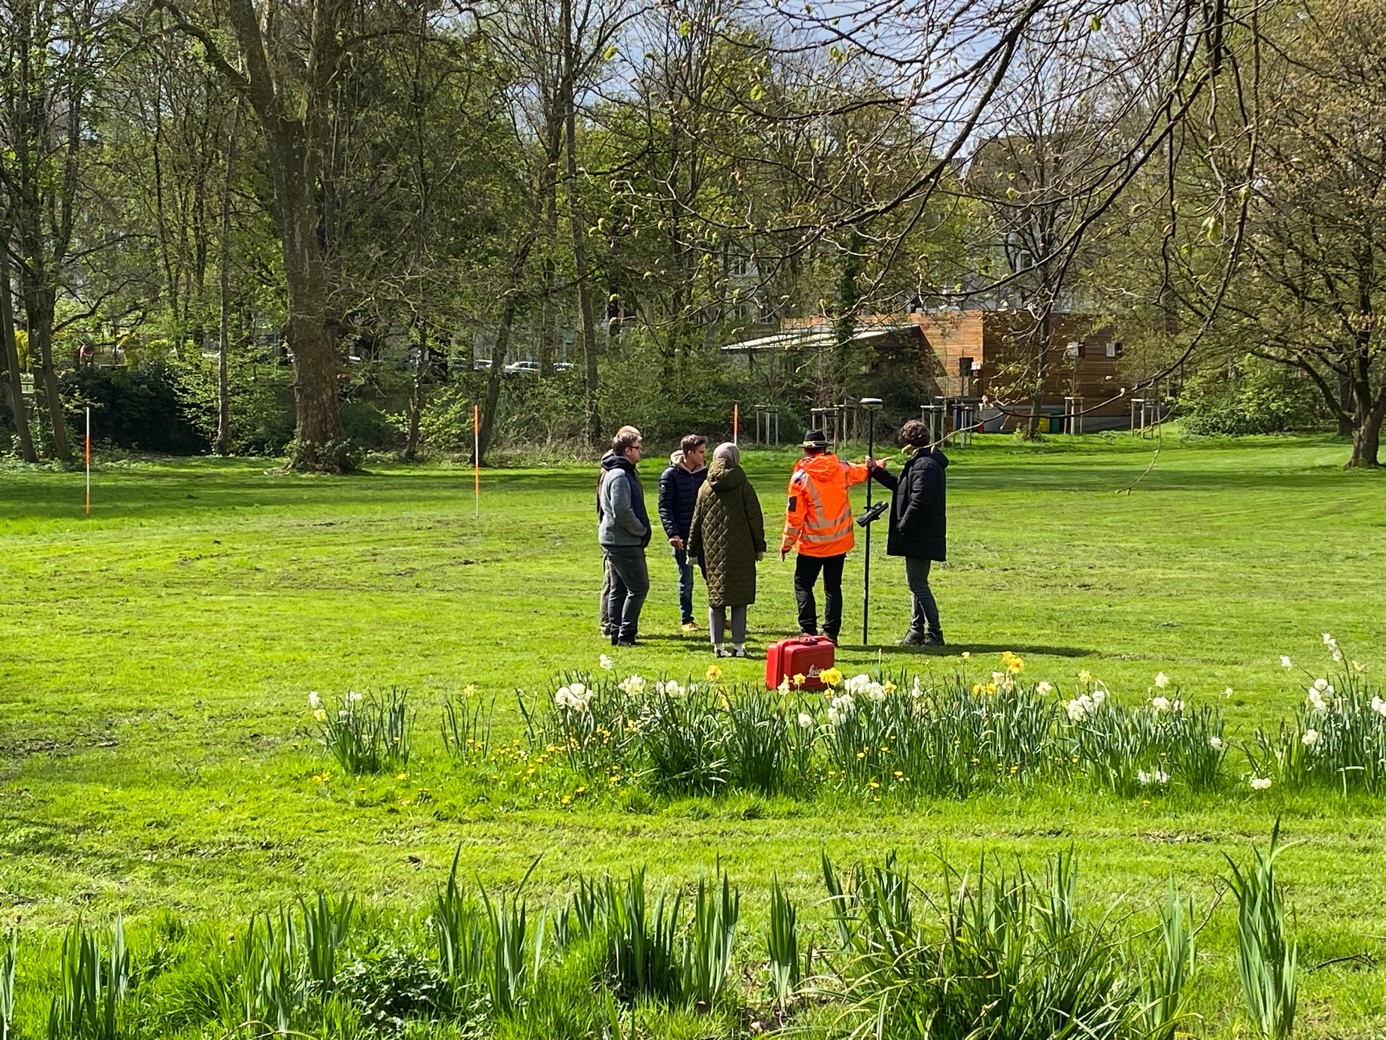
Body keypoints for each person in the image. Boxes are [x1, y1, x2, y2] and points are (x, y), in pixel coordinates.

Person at [779, 428, 871, 643]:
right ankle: (831, 633)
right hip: (838, 543)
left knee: (802, 585)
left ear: (806, 450)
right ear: (824, 448)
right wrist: (874, 465)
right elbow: (862, 472)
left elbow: (794, 517)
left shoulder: (800, 479)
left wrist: (786, 544)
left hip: (812, 545)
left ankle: (808, 631)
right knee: (833, 588)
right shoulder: (842, 469)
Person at [869, 419, 949, 646]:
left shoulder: (925, 465)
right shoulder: (922, 462)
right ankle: (916, 631)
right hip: (920, 533)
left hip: (919, 533)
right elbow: (902, 488)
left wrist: (903, 526)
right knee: (915, 582)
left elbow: (919, 501)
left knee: (918, 584)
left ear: (908, 442)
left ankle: (934, 633)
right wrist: (876, 472)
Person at [687, 442, 765, 658]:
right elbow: (754, 520)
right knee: (739, 600)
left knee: (716, 598)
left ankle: (718, 647)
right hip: (742, 551)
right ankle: (739, 647)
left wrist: (692, 551)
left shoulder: (705, 487)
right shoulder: (744, 486)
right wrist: (759, 547)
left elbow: (696, 521)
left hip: (713, 553)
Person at [598, 427, 651, 646]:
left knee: (619, 588)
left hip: (616, 540)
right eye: (638, 447)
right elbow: (621, 510)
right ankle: (626, 633)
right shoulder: (619, 475)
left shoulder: (618, 472)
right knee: (639, 587)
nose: (641, 451)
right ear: (628, 450)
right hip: (622, 541)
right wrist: (641, 530)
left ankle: (616, 632)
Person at [657, 434, 708, 633]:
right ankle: (686, 618)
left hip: (705, 536)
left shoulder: (707, 473)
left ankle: (719, 616)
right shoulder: (670, 475)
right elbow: (665, 507)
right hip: (683, 538)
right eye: (701, 452)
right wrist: (673, 533)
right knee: (686, 580)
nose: (705, 455)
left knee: (713, 578)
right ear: (689, 453)